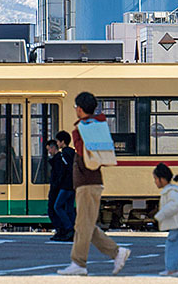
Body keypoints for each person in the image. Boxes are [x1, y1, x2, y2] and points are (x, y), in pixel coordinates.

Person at [57, 92, 130, 277]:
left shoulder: (82, 128)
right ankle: (115, 253)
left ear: (80, 109)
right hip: (93, 181)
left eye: (75, 107)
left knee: (82, 224)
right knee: (85, 224)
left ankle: (79, 263)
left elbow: (82, 153)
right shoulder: (98, 125)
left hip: (86, 182)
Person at [52, 131, 76, 242]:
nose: (57, 143)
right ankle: (74, 231)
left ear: (62, 142)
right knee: (69, 209)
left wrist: (59, 183)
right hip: (73, 185)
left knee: (57, 206)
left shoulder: (63, 154)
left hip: (66, 185)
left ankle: (69, 228)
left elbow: (64, 170)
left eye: (58, 141)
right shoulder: (73, 153)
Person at [45, 140, 65, 240]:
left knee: (53, 209)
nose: (49, 152)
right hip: (58, 188)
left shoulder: (57, 160)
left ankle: (60, 230)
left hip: (56, 189)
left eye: (49, 149)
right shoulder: (59, 159)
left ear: (53, 148)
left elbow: (58, 175)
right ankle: (61, 230)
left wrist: (55, 186)